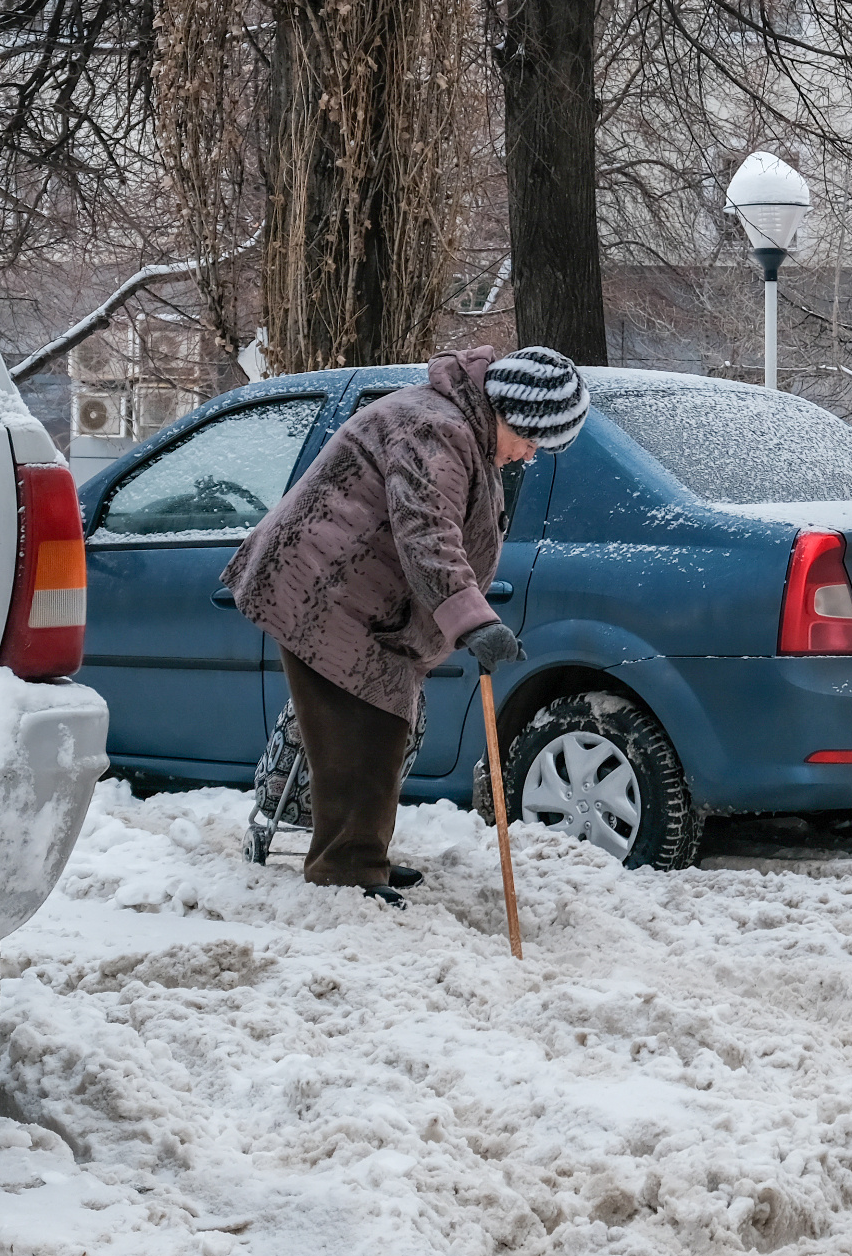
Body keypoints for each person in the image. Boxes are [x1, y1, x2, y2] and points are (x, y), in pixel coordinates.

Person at [223, 345, 589, 901]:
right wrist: (473, 622)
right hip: (324, 588)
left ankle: (360, 856)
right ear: (512, 416)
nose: (531, 455)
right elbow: (427, 533)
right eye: (534, 440)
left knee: (382, 726)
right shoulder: (437, 429)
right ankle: (345, 872)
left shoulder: (462, 427)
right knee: (362, 731)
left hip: (359, 596)